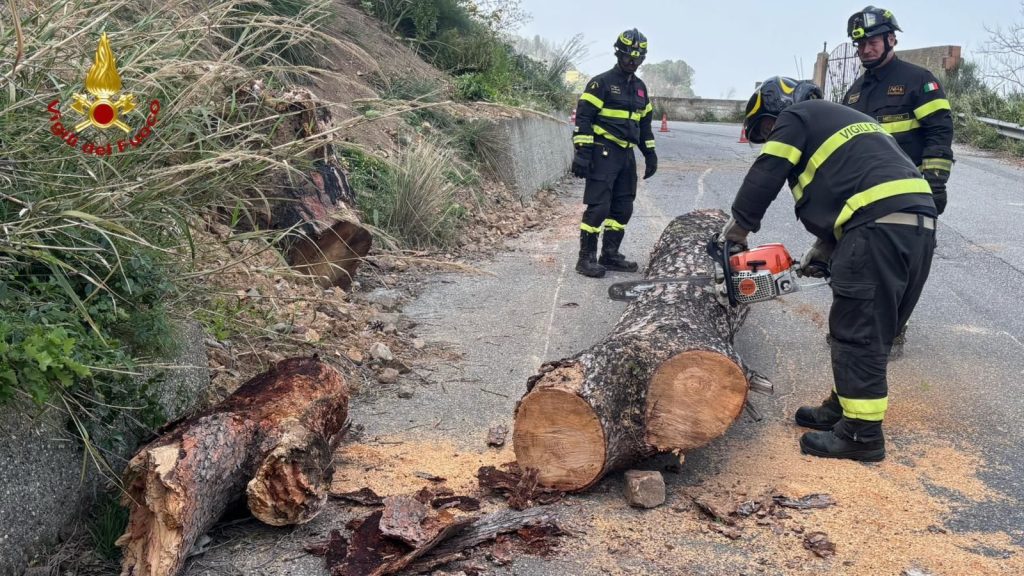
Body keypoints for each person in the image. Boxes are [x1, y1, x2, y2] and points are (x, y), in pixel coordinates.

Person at [721, 76, 937, 461]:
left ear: (777, 107)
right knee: (876, 327)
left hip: (876, 228)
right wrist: (825, 249)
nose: (771, 136)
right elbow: (859, 187)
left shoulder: (797, 116)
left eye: (768, 128)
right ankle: (845, 408)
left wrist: (737, 231)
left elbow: (767, 170)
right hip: (917, 226)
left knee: (857, 331)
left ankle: (861, 435)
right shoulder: (848, 121)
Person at [842, 6, 954, 348]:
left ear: (891, 39)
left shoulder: (919, 81)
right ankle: (854, 331)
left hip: (910, 194)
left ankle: (893, 331)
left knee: (905, 270)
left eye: (872, 41)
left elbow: (939, 132)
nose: (865, 50)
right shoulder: (855, 92)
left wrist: (934, 182)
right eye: (859, 44)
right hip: (865, 197)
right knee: (858, 266)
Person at [570, 29, 658, 278]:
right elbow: (584, 118)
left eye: (638, 57)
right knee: (599, 207)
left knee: (623, 208)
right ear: (619, 53)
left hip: (626, 155)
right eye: (629, 55)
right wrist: (582, 153)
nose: (633, 61)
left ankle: (609, 255)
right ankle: (584, 259)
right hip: (602, 151)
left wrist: (650, 154)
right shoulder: (601, 83)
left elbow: (644, 125)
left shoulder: (640, 89)